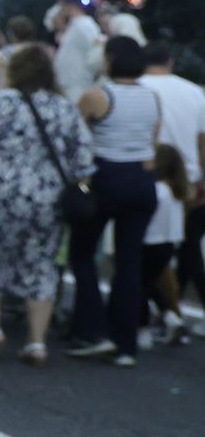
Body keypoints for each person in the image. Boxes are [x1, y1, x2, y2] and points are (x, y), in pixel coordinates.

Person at [0, 44, 93, 364]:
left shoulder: (0, 101)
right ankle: (36, 342)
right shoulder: (64, 107)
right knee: (41, 264)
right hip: (46, 198)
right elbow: (84, 158)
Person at [69, 37, 162, 366]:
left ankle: (93, 331)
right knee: (129, 262)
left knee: (82, 254)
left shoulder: (97, 96)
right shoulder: (152, 97)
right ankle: (125, 344)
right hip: (142, 182)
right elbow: (152, 141)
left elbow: (74, 137)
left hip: (106, 179)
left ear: (110, 60)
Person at [140, 43, 205, 319]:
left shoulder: (137, 88)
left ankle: (162, 313)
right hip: (186, 181)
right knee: (185, 247)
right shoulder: (193, 91)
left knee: (146, 251)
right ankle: (171, 312)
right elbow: (202, 142)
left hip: (146, 176)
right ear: (170, 63)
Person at [144, 144, 191, 348]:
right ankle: (172, 318)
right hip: (168, 245)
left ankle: (142, 330)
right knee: (151, 284)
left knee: (140, 287)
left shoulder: (157, 190)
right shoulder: (176, 193)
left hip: (150, 243)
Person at [52, 0, 104, 104]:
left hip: (78, 84)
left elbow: (96, 51)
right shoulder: (74, 25)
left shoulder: (84, 24)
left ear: (70, 7)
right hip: (68, 83)